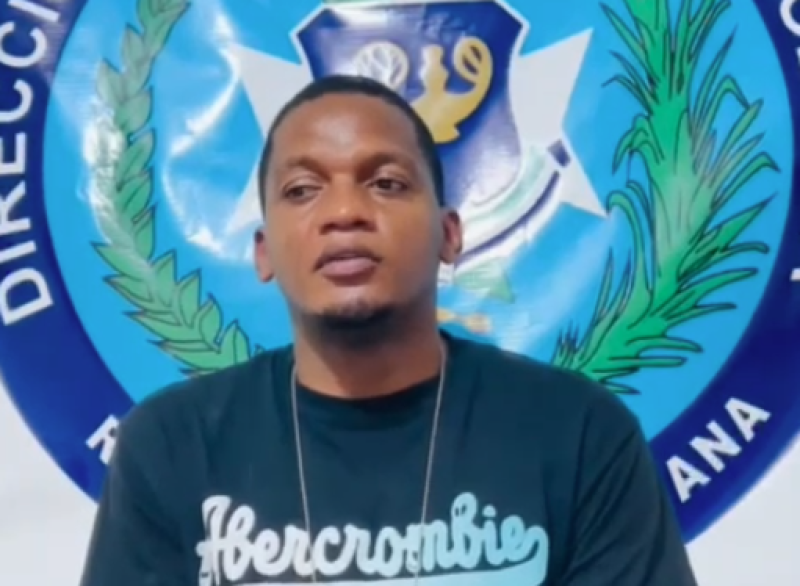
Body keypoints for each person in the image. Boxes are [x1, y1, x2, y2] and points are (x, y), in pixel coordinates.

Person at [79, 74, 698, 586]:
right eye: (302, 189)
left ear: (449, 235)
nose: (345, 212)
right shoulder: (172, 444)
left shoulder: (579, 433)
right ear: (263, 252)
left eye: (386, 183)